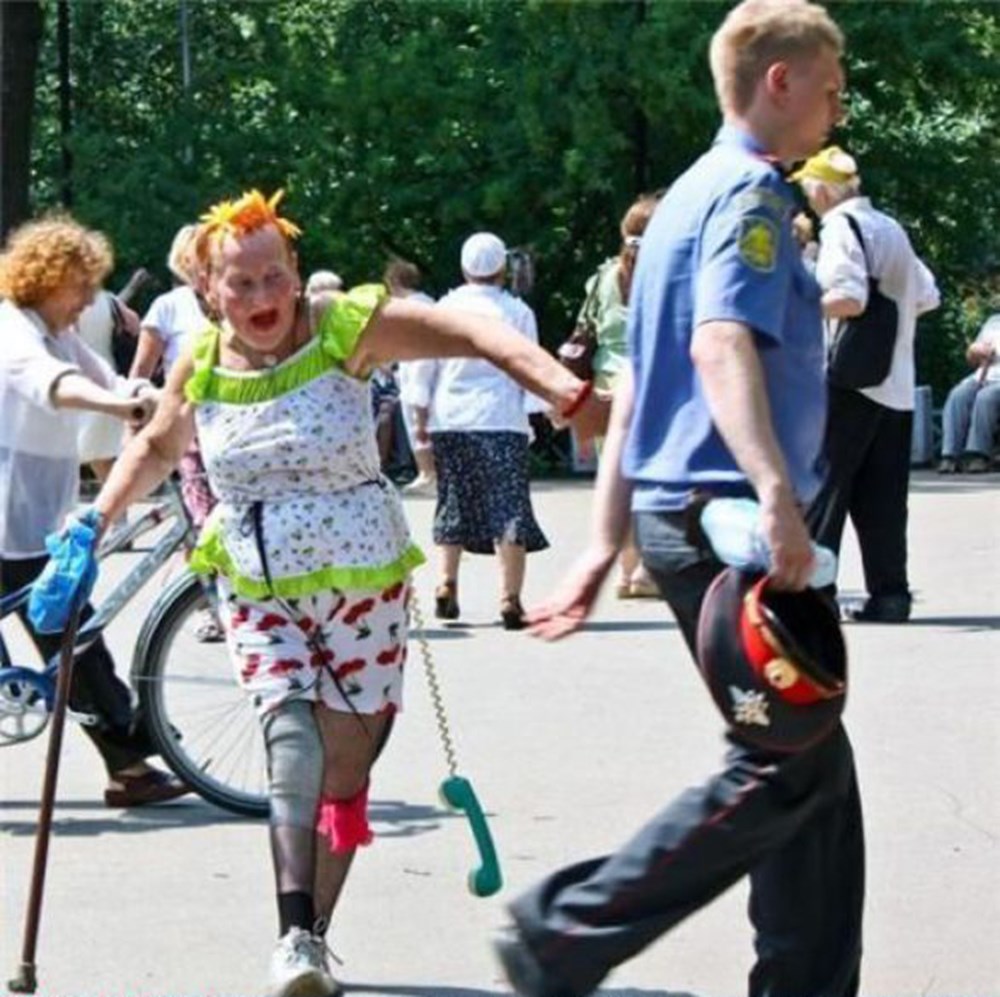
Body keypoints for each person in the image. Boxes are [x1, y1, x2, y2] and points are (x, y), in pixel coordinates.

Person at [83, 190, 595, 997]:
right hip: (256, 582)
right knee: (292, 740)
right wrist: (93, 525)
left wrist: (564, 391)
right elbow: (155, 443)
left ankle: (314, 940)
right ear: (209, 290)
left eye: (272, 277)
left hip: (364, 589)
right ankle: (292, 936)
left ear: (293, 273)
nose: (260, 298)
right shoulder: (205, 362)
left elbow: (469, 331)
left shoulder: (339, 328)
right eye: (240, 284)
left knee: (343, 776)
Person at [494, 3, 864, 996]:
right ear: (777, 81)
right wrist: (779, 495)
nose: (839, 105)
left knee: (813, 775)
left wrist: (599, 538)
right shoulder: (744, 196)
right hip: (730, 527)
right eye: (828, 85)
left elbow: (640, 390)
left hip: (687, 519)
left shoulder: (681, 204)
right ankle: (564, 931)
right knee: (784, 764)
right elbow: (714, 345)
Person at [0, 214, 189, 807]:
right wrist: (113, 401)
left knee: (73, 636)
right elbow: (53, 384)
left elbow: (102, 376)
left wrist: (148, 398)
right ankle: (129, 761)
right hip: (9, 518)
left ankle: (129, 765)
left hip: (31, 514)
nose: (88, 298)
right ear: (49, 277)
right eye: (81, 284)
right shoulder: (13, 328)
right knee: (71, 634)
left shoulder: (59, 331)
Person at [795, 145, 940, 623]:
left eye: (807, 189)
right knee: (883, 498)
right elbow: (926, 294)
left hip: (851, 380)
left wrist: (797, 305)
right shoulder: (890, 227)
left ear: (821, 188)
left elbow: (849, 299)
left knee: (826, 489)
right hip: (896, 380)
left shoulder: (841, 227)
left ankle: (814, 597)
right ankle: (890, 595)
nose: (807, 199)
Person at [410, 231, 549, 631]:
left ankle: (446, 582)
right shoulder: (517, 312)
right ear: (502, 269)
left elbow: (424, 365)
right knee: (509, 508)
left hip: (451, 418)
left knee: (453, 502)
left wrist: (420, 418)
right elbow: (530, 364)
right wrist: (536, 411)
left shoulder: (445, 308)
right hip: (501, 418)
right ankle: (510, 598)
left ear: (464, 267)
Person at [130, 223, 221, 639]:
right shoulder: (167, 307)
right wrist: (139, 428)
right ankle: (204, 604)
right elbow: (140, 375)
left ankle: (235, 599)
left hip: (234, 429)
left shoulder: (230, 302)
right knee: (201, 522)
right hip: (190, 435)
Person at [576, 193, 661, 599]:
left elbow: (585, 326)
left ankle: (626, 573)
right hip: (653, 384)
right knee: (653, 482)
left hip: (607, 387)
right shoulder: (667, 272)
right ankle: (646, 569)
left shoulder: (603, 278)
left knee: (617, 480)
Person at [76, 289, 142, 483]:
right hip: (108, 381)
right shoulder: (106, 298)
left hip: (77, 385)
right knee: (103, 457)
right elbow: (135, 324)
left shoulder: (59, 298)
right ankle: (119, 509)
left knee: (69, 457)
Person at [384, 257, 437, 495]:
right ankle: (431, 473)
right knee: (429, 422)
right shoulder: (431, 303)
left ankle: (427, 474)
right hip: (433, 368)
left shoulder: (404, 307)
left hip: (415, 368)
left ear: (394, 282)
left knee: (416, 422)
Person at [937, 309, 1000, 474]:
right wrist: (975, 351)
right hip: (982, 376)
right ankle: (950, 455)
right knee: (957, 395)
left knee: (985, 398)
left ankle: (978, 454)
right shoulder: (993, 321)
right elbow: (972, 359)